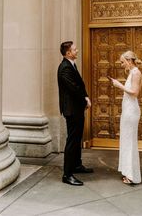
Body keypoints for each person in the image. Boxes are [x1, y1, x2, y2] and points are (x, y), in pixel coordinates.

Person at [57, 41, 93, 186]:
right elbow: (73, 88)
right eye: (74, 49)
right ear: (68, 53)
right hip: (71, 110)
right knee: (72, 140)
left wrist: (85, 97)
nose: (77, 50)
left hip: (76, 108)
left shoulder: (72, 64)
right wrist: (85, 100)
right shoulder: (64, 68)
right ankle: (67, 174)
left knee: (77, 137)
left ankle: (77, 165)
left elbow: (80, 84)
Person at [109, 50, 142, 185]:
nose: (122, 65)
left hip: (131, 111)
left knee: (130, 142)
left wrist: (119, 85)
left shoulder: (136, 73)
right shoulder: (132, 73)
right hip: (128, 110)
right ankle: (128, 172)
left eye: (123, 62)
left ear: (129, 61)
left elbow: (134, 93)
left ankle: (132, 175)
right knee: (127, 141)